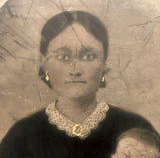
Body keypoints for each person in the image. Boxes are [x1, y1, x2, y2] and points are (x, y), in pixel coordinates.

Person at [0, 11, 159, 158]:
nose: (75, 70)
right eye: (63, 56)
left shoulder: (135, 127)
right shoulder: (21, 136)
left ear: (104, 64)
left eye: (88, 56)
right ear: (44, 64)